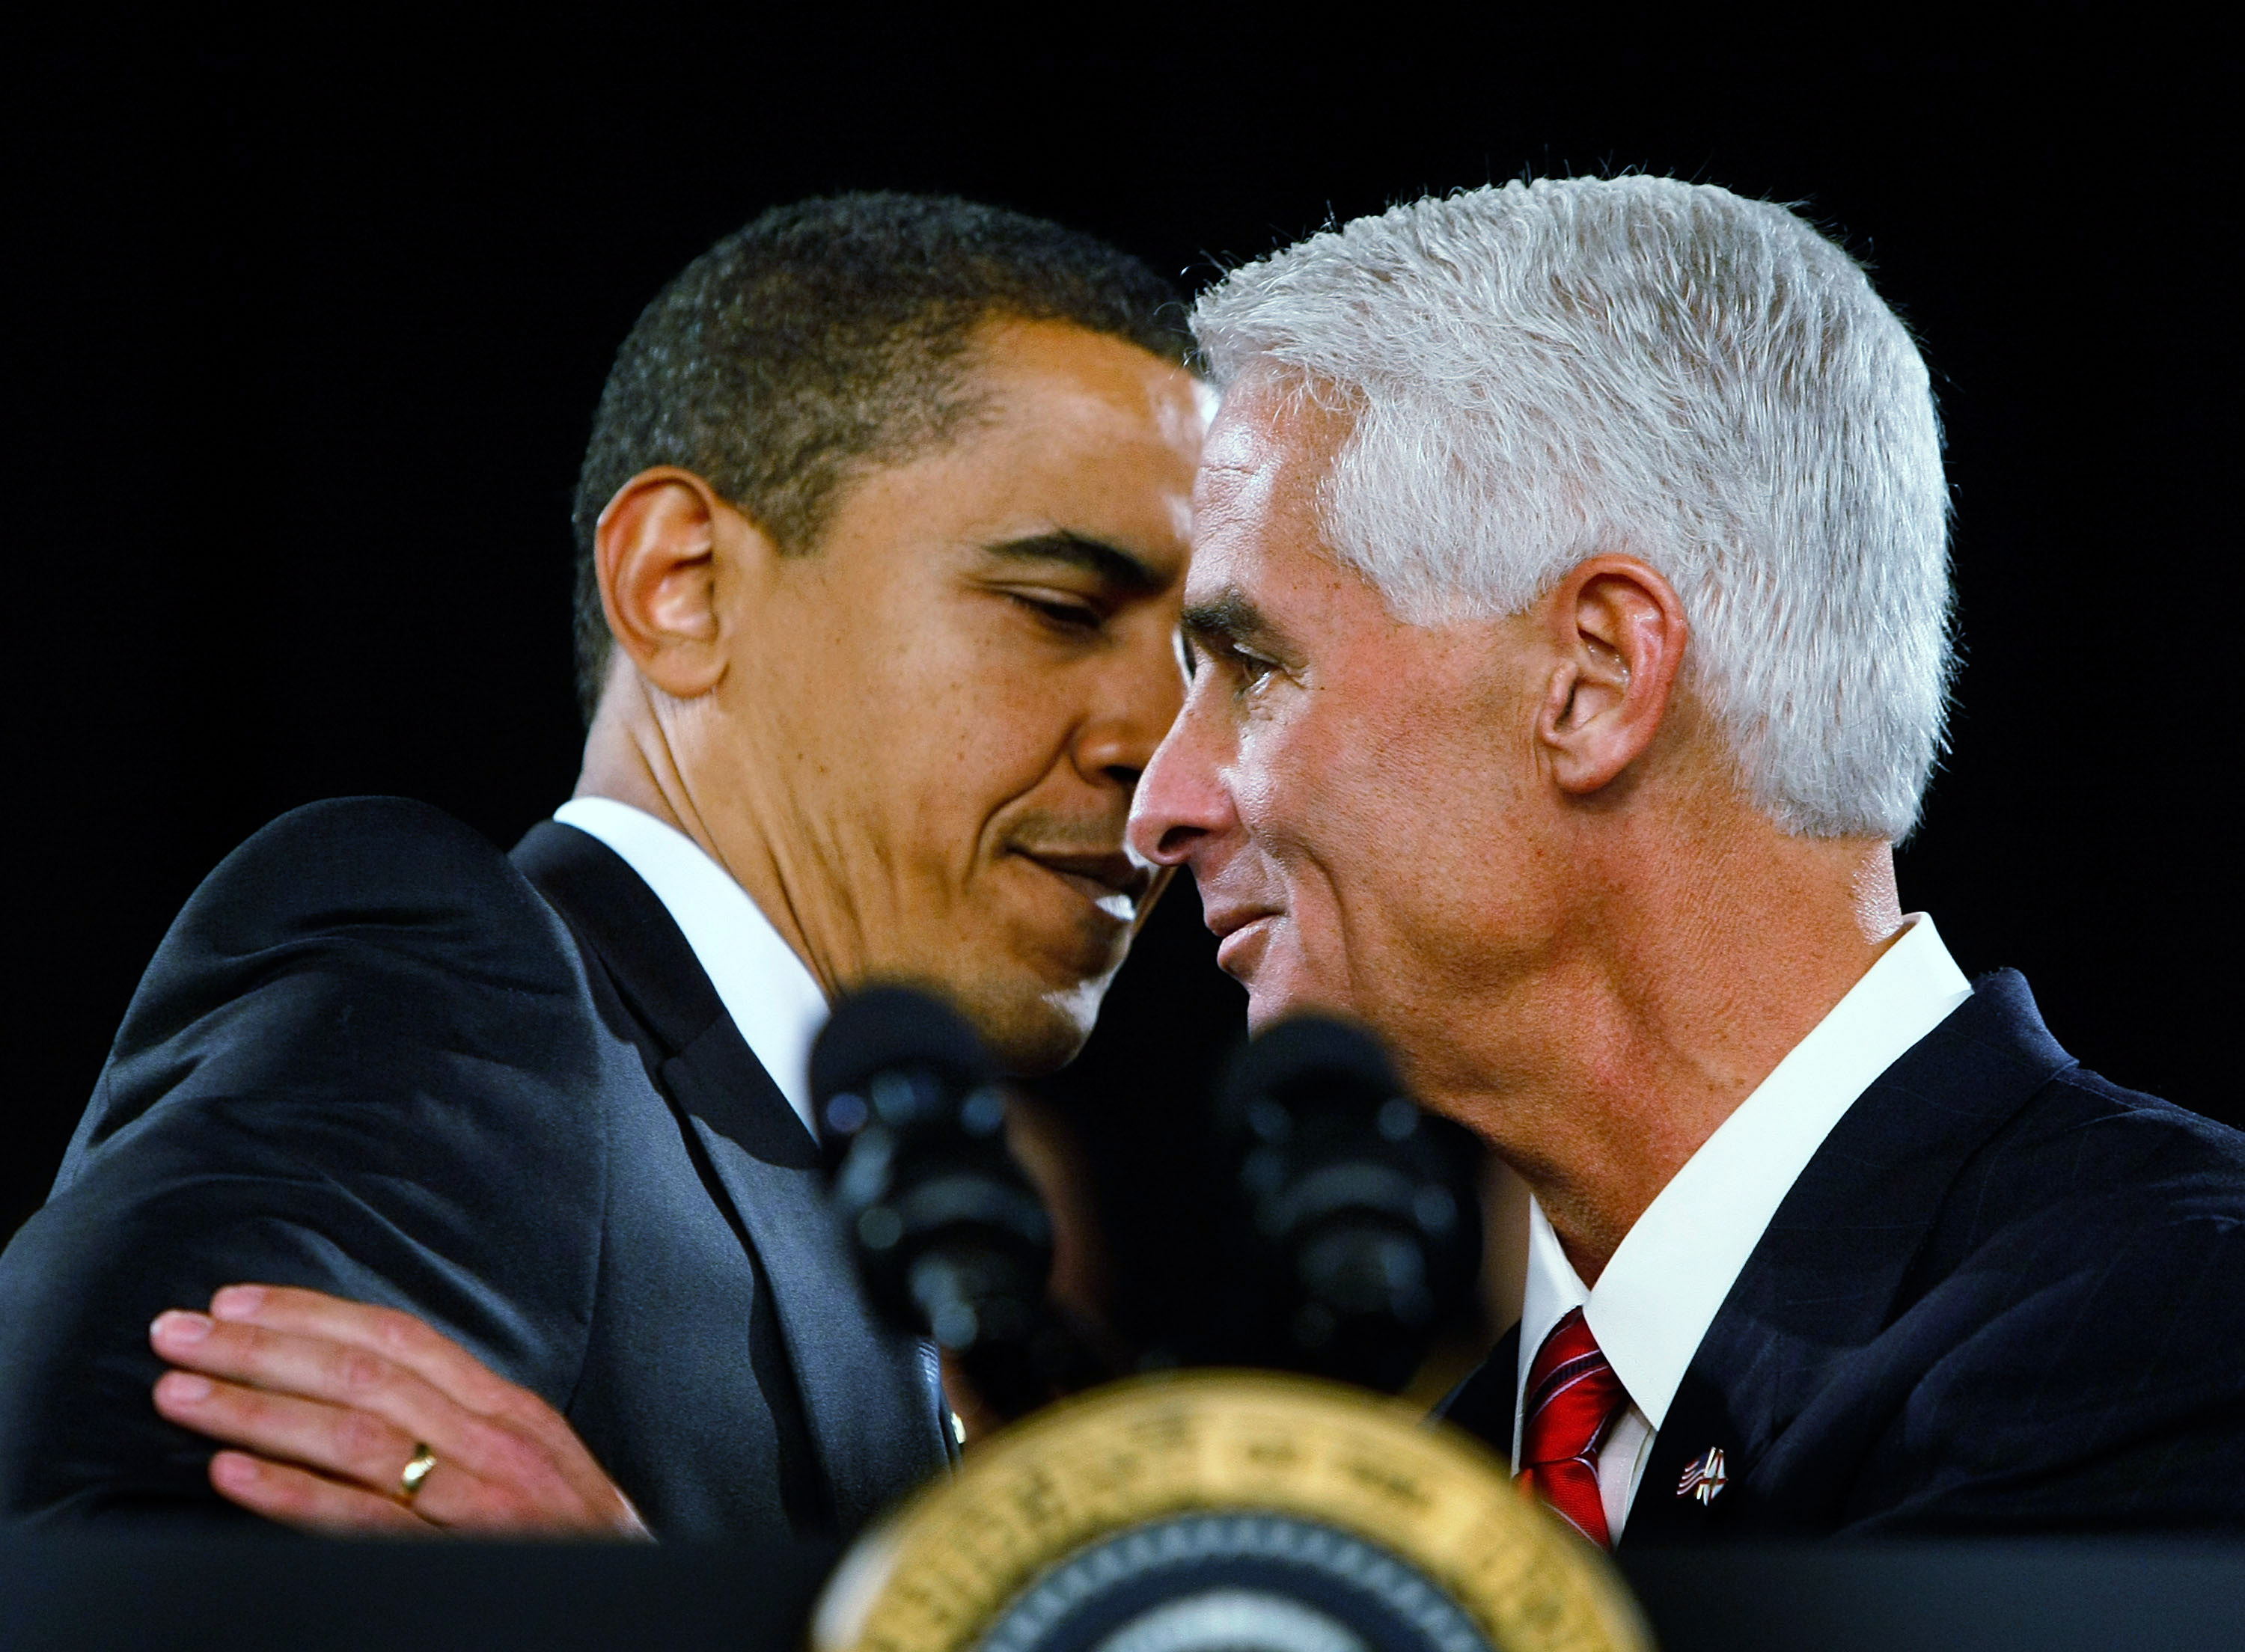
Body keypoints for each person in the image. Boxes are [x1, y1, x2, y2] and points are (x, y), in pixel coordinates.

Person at [0, 194, 1206, 1541]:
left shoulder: (888, 1237)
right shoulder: (445, 984)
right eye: (1058, 610)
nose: (1163, 753)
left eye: (1207, 659)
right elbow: (91, 1565)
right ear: (680, 582)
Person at [1125, 177, 2245, 1545]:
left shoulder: (2170, 1329)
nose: (1162, 805)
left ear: (1595, 680)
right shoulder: (1429, 1506)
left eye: (1251, 665)